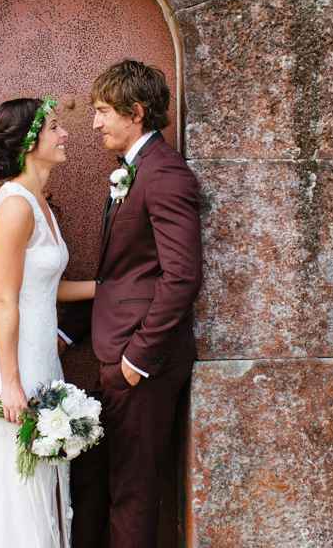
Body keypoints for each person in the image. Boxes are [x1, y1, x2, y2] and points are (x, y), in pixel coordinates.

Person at [0, 97, 96, 548]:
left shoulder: (40, 203)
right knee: (11, 492)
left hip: (42, 359)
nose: (64, 134)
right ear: (30, 143)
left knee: (38, 488)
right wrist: (10, 383)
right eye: (53, 128)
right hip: (15, 367)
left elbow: (47, 287)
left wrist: (106, 288)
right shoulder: (15, 206)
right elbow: (5, 299)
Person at [67, 60, 203, 548]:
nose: (96, 122)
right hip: (114, 352)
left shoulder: (165, 176)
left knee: (133, 491)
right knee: (96, 482)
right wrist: (68, 331)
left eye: (104, 111)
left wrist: (136, 360)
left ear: (137, 112)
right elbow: (124, 274)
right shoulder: (132, 172)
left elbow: (181, 276)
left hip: (141, 365)